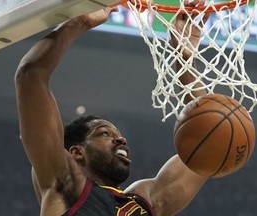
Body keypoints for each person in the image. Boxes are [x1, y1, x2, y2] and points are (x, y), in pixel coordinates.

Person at [14, 1, 209, 215]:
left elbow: (208, 143)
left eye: (117, 134)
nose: (121, 139)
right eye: (105, 133)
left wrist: (185, 61)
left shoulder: (144, 202)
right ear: (77, 152)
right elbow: (31, 75)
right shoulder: (65, 184)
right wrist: (81, 21)